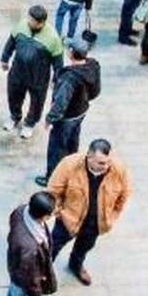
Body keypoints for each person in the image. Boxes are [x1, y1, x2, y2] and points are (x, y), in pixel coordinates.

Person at [46, 139, 132, 286]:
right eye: (101, 163)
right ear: (89, 156)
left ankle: (76, 265)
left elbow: (124, 195)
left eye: (108, 161)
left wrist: (111, 217)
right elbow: (52, 192)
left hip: (96, 223)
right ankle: (44, 273)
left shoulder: (118, 169)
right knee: (52, 247)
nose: (106, 166)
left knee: (84, 247)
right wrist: (60, 213)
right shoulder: (69, 165)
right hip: (68, 220)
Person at [37, 38, 101, 187]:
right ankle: (73, 168)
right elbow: (96, 90)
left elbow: (61, 101)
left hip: (67, 117)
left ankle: (53, 177)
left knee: (57, 147)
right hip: (81, 111)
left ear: (71, 53)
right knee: (73, 140)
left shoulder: (69, 77)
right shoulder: (93, 65)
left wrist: (50, 118)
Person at [0, 5, 64, 139]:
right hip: (18, 71)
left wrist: (56, 79)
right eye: (29, 17)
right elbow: (10, 43)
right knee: (13, 96)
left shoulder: (53, 38)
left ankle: (30, 123)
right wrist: (4, 59)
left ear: (40, 22)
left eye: (32, 20)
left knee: (37, 102)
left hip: (38, 77)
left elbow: (58, 63)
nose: (28, 21)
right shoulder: (21, 26)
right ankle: (15, 116)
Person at [2, 192, 58, 296]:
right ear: (44, 216)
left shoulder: (20, 212)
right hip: (25, 281)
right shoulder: (30, 248)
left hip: (15, 269)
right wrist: (36, 293)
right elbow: (30, 279)